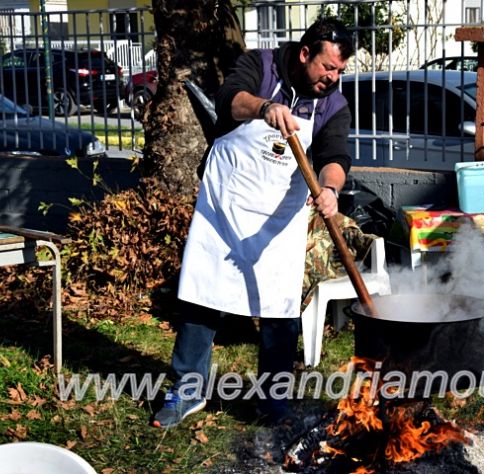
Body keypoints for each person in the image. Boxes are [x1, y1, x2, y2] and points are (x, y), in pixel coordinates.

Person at [152, 18, 355, 428]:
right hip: (226, 208)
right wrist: (264, 107)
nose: (333, 78)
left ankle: (272, 403)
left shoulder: (333, 102)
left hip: (279, 221)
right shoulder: (261, 66)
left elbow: (335, 156)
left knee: (280, 312)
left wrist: (330, 190)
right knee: (202, 297)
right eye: (328, 67)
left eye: (340, 71)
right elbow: (229, 100)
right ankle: (185, 393)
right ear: (305, 54)